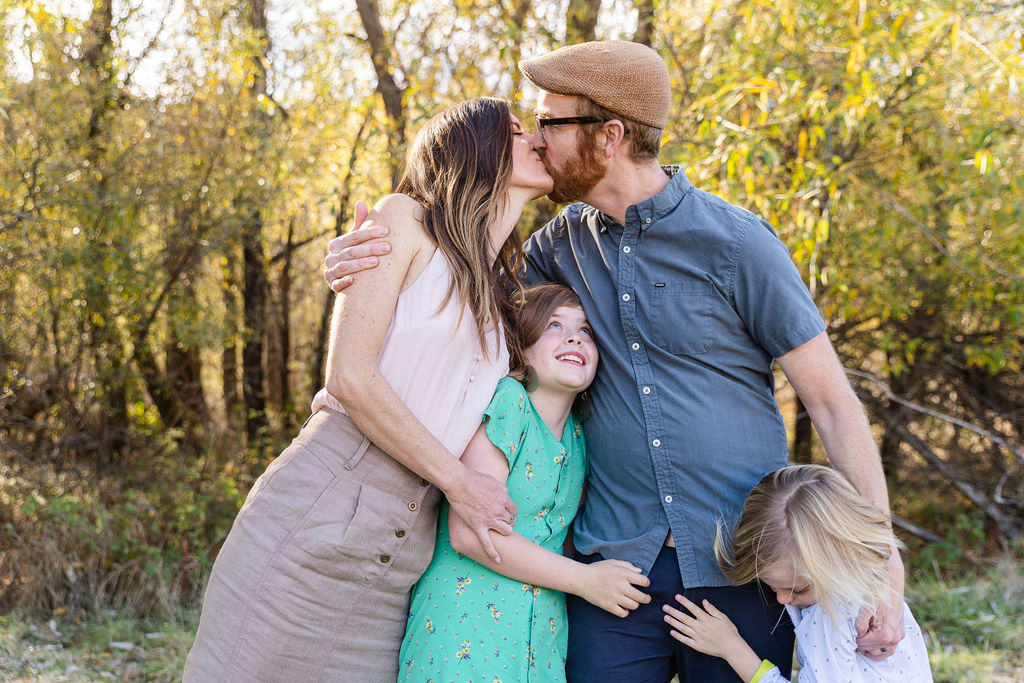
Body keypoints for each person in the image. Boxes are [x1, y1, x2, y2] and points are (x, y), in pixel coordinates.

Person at [322, 41, 905, 681]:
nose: (536, 139)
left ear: (609, 136)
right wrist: (370, 262)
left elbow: (833, 405)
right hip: (613, 569)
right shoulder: (552, 251)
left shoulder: (739, 244)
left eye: (550, 122)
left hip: (745, 564)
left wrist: (882, 567)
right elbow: (453, 307)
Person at [183, 97, 553, 682]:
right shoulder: (404, 220)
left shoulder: (501, 290)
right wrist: (462, 484)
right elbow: (350, 377)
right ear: (474, 146)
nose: (536, 138)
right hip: (323, 509)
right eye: (514, 131)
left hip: (402, 553)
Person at [400, 283, 650, 681]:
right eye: (554, 325)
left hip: (539, 645)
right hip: (465, 635)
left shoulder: (579, 437)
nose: (574, 337)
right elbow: (470, 533)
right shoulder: (510, 403)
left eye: (586, 331)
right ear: (523, 346)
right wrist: (586, 580)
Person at [663, 465, 932, 682]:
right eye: (771, 586)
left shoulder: (831, 614)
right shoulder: (870, 587)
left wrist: (732, 648)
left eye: (798, 589)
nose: (782, 599)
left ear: (839, 564)